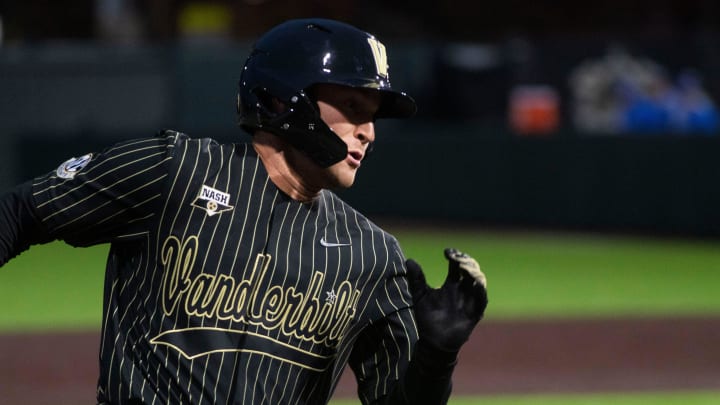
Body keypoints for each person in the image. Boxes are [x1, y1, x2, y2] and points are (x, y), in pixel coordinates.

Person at [0, 18, 487, 404]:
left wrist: (436, 358)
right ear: (283, 100)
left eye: (373, 116)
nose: (369, 132)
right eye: (353, 106)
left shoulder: (374, 257)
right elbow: (21, 212)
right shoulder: (174, 170)